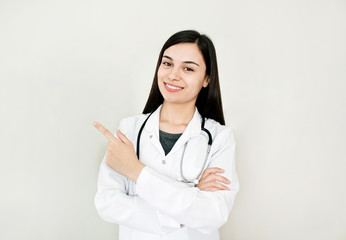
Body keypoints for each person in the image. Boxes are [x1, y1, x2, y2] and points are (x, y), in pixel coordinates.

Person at [93, 30, 239, 240]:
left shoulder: (220, 137)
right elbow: (108, 203)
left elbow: (213, 215)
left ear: (206, 79)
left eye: (188, 68)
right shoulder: (129, 129)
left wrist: (136, 171)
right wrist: (188, 202)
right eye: (167, 63)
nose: (173, 75)